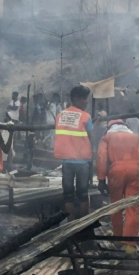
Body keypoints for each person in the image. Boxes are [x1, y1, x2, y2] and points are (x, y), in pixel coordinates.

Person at [96, 119, 139, 253]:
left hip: (116, 172)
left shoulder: (107, 138)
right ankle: (129, 244)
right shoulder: (137, 138)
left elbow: (101, 159)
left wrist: (101, 179)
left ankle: (117, 238)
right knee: (133, 207)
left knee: (116, 205)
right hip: (135, 172)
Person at [54, 86, 94, 221]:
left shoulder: (60, 115)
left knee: (68, 195)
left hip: (67, 162)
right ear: (76, 99)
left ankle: (69, 223)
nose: (86, 102)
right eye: (84, 99)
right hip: (82, 162)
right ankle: (83, 223)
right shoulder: (85, 116)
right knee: (83, 193)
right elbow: (91, 138)